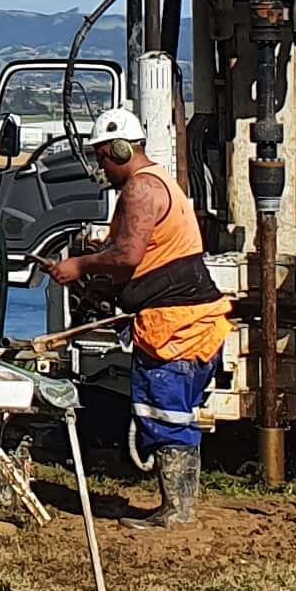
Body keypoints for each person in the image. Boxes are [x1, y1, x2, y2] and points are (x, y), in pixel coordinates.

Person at [34, 106, 233, 523]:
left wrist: (81, 267)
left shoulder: (140, 190)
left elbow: (127, 256)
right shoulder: (161, 184)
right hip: (185, 320)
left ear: (120, 150)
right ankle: (178, 506)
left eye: (102, 157)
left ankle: (177, 511)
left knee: (166, 415)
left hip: (175, 327)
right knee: (171, 414)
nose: (101, 167)